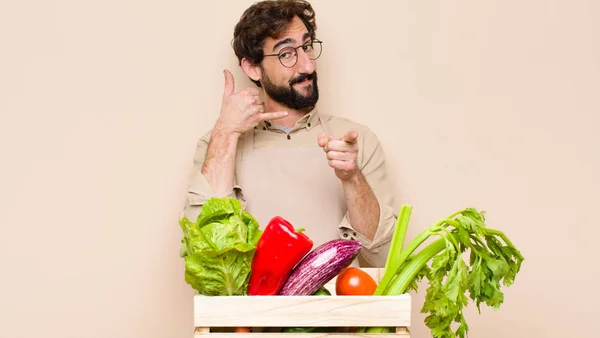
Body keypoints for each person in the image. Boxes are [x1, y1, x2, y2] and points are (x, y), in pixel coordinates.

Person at [181, 0, 398, 267]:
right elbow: (204, 255)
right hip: (250, 310)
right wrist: (226, 132)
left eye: (306, 47)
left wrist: (352, 178)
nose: (307, 66)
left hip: (338, 307)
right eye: (286, 54)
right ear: (253, 68)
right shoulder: (218, 144)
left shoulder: (356, 139)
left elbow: (386, 259)